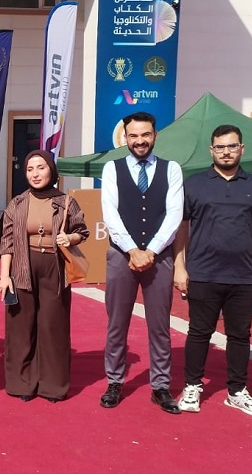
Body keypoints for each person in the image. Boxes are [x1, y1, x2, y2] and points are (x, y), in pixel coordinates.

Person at [174, 125, 252, 417]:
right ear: (212, 151)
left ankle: (236, 391)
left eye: (232, 146)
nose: (226, 152)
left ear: (241, 149)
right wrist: (179, 267)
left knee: (240, 335)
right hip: (203, 274)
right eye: (220, 147)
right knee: (199, 333)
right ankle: (192, 386)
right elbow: (180, 227)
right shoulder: (194, 184)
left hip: (244, 276)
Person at [100, 111, 183, 414]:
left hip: (159, 258)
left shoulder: (172, 169)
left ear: (155, 135)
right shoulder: (112, 168)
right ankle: (114, 381)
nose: (139, 141)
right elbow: (110, 213)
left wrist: (153, 250)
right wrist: (133, 249)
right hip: (121, 255)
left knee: (160, 325)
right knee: (117, 323)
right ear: (125, 138)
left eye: (145, 134)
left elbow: (174, 214)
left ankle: (160, 386)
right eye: (133, 135)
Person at [0, 150, 89, 403]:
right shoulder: (17, 203)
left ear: (51, 170)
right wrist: (4, 276)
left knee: (52, 326)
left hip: (54, 267)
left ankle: (52, 386)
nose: (35, 174)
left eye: (41, 168)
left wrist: (69, 238)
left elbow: (82, 231)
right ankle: (22, 383)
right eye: (30, 169)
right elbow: (6, 242)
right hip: (22, 266)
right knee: (21, 326)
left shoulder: (66, 202)